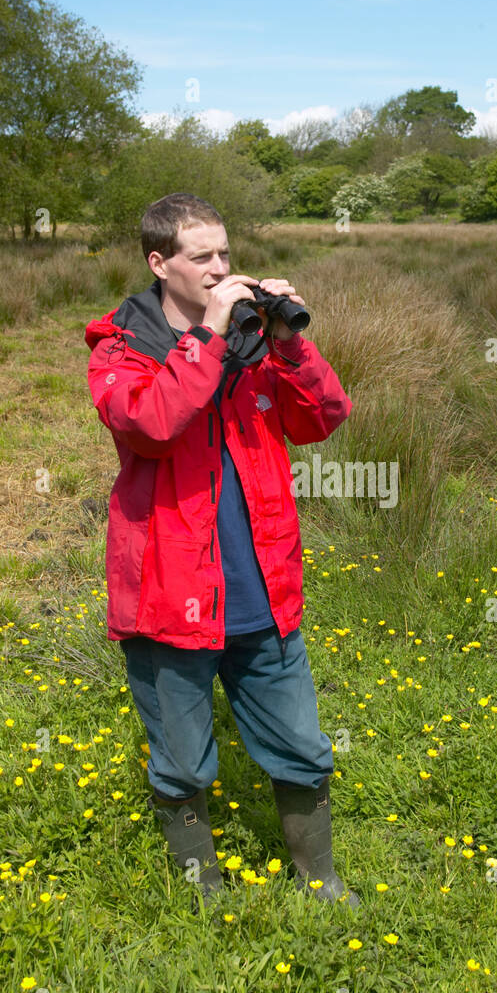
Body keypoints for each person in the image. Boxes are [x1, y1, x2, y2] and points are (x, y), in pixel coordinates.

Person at [84, 192, 359, 910]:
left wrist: (288, 344)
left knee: (301, 744)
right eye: (200, 256)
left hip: (261, 587)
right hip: (167, 592)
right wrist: (208, 335)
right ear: (159, 262)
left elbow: (322, 419)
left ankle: (321, 880)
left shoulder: (251, 343)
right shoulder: (120, 349)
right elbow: (151, 424)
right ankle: (201, 892)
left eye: (226, 255)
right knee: (181, 762)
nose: (219, 269)